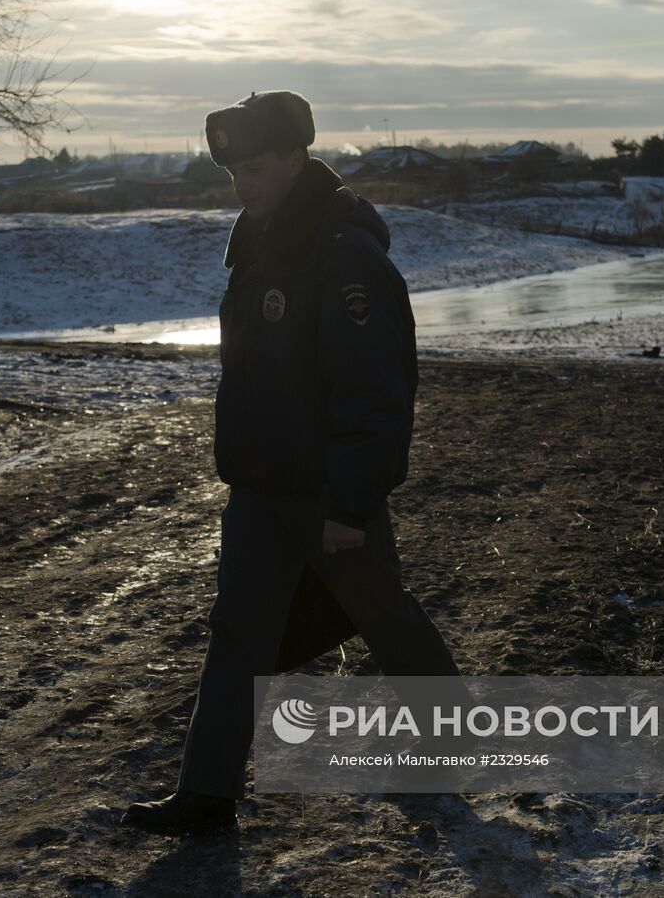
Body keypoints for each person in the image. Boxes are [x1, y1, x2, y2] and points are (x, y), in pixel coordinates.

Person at [121, 90, 462, 835]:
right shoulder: (258, 242)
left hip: (325, 490)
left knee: (386, 616)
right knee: (237, 635)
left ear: (297, 156)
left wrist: (351, 502)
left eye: (258, 167)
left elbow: (375, 390)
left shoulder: (341, 252)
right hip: (259, 486)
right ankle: (206, 794)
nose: (244, 183)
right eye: (235, 171)